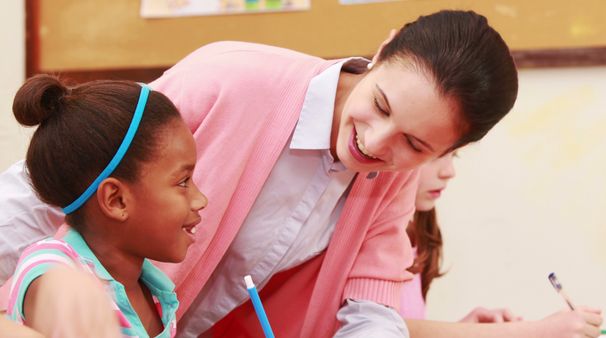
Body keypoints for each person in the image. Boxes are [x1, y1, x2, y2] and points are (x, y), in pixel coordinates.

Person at [0, 10, 518, 337]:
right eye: (381, 105)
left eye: (415, 144)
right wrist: (49, 282)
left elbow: (371, 305)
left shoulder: (394, 179)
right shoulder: (230, 78)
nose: (377, 143)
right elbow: (62, 170)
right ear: (382, 52)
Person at [3, 74, 208, 337]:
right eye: (183, 181)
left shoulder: (154, 292)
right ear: (116, 199)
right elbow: (48, 273)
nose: (201, 199)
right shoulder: (58, 268)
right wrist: (60, 288)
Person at [399, 154, 604, 337]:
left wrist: (466, 331)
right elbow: (378, 329)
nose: (449, 172)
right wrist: (532, 332)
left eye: (454, 155)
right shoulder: (377, 234)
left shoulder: (421, 229)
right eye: (437, 155)